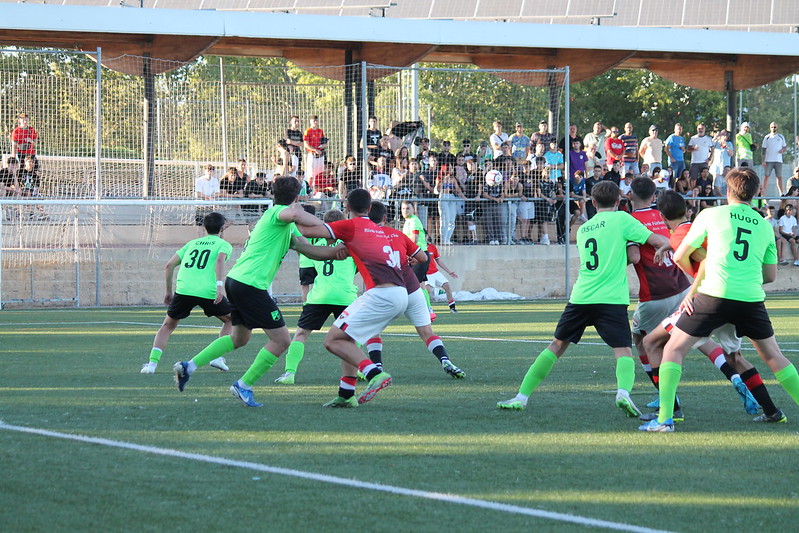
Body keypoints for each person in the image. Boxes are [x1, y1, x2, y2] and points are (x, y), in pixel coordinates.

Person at [641, 168, 799, 431]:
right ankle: (773, 410)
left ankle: (665, 420)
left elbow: (681, 256)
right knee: (774, 357)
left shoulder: (711, 214)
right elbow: (770, 276)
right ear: (756, 193)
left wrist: (696, 284)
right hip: (750, 298)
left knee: (672, 349)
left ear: (727, 191)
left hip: (713, 294)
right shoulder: (763, 224)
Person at [497, 181, 670, 415]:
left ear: (592, 202)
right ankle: (623, 393)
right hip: (612, 298)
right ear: (618, 202)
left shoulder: (585, 229)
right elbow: (651, 245)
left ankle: (521, 397)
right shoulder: (623, 219)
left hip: (582, 295)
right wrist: (667, 246)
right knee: (623, 350)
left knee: (556, 345)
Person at [172, 177, 346, 407]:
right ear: (296, 199)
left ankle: (188, 367)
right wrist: (333, 229)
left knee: (239, 338)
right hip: (250, 285)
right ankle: (243, 385)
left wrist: (341, 251)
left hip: (238, 281)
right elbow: (293, 215)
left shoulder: (283, 225)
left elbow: (311, 250)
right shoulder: (277, 213)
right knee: (282, 340)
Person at [302, 189, 429, 407]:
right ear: (370, 209)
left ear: (346, 207)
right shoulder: (376, 229)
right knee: (348, 339)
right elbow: (421, 257)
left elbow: (307, 230)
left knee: (332, 340)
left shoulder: (350, 226)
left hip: (382, 294)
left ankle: (373, 373)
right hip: (399, 293)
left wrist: (290, 216)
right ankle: (346, 394)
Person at [364, 201, 465, 381]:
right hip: (411, 290)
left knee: (373, 331)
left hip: (387, 292)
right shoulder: (398, 235)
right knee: (427, 332)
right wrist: (409, 259)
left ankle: (377, 367)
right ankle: (445, 360)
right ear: (386, 218)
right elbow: (422, 257)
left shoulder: (365, 237)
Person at [141, 212, 232, 375]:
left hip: (184, 290)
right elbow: (219, 260)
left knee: (167, 326)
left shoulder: (191, 244)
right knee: (232, 320)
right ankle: (217, 357)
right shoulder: (223, 244)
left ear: (205, 227)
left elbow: (169, 265)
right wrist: (219, 287)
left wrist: (169, 292)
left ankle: (151, 366)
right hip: (207, 291)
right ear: (223, 228)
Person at [274, 209, 358, 385]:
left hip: (319, 296)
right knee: (350, 337)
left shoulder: (317, 245)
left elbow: (308, 269)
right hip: (345, 297)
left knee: (301, 334)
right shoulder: (351, 245)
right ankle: (360, 371)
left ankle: (289, 374)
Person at [425, 242, 458, 313]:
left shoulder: (432, 247)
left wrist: (449, 272)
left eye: (425, 236)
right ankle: (427, 308)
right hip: (426, 273)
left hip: (435, 272)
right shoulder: (419, 247)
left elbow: (438, 261)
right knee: (427, 290)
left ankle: (452, 308)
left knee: (447, 286)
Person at [762, 122, 788, 195]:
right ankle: (763, 192)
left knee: (779, 176)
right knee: (766, 176)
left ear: (777, 127)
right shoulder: (767, 137)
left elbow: (785, 146)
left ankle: (781, 192)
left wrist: (783, 150)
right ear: (770, 128)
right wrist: (763, 161)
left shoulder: (781, 137)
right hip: (768, 160)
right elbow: (763, 149)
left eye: (775, 127)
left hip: (778, 160)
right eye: (772, 127)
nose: (773, 128)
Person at [304, 115, 327, 186]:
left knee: (319, 174)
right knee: (311, 174)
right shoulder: (307, 131)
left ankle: (318, 189)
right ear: (310, 122)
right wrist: (315, 150)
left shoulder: (320, 131)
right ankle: (309, 189)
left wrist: (323, 145)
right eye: (313, 121)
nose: (315, 122)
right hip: (312, 155)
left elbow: (324, 142)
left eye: (316, 120)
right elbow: (306, 144)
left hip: (320, 155)